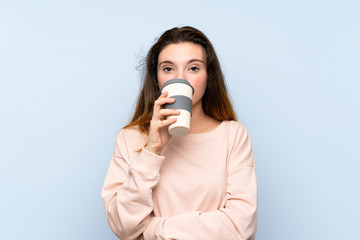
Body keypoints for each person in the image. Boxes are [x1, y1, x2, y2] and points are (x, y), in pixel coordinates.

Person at [101, 26, 257, 240]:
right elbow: (124, 226)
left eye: (193, 68)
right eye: (168, 69)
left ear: (208, 76)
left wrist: (152, 230)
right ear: (156, 77)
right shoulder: (131, 138)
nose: (181, 78)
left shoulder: (233, 136)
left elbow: (240, 228)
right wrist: (152, 150)